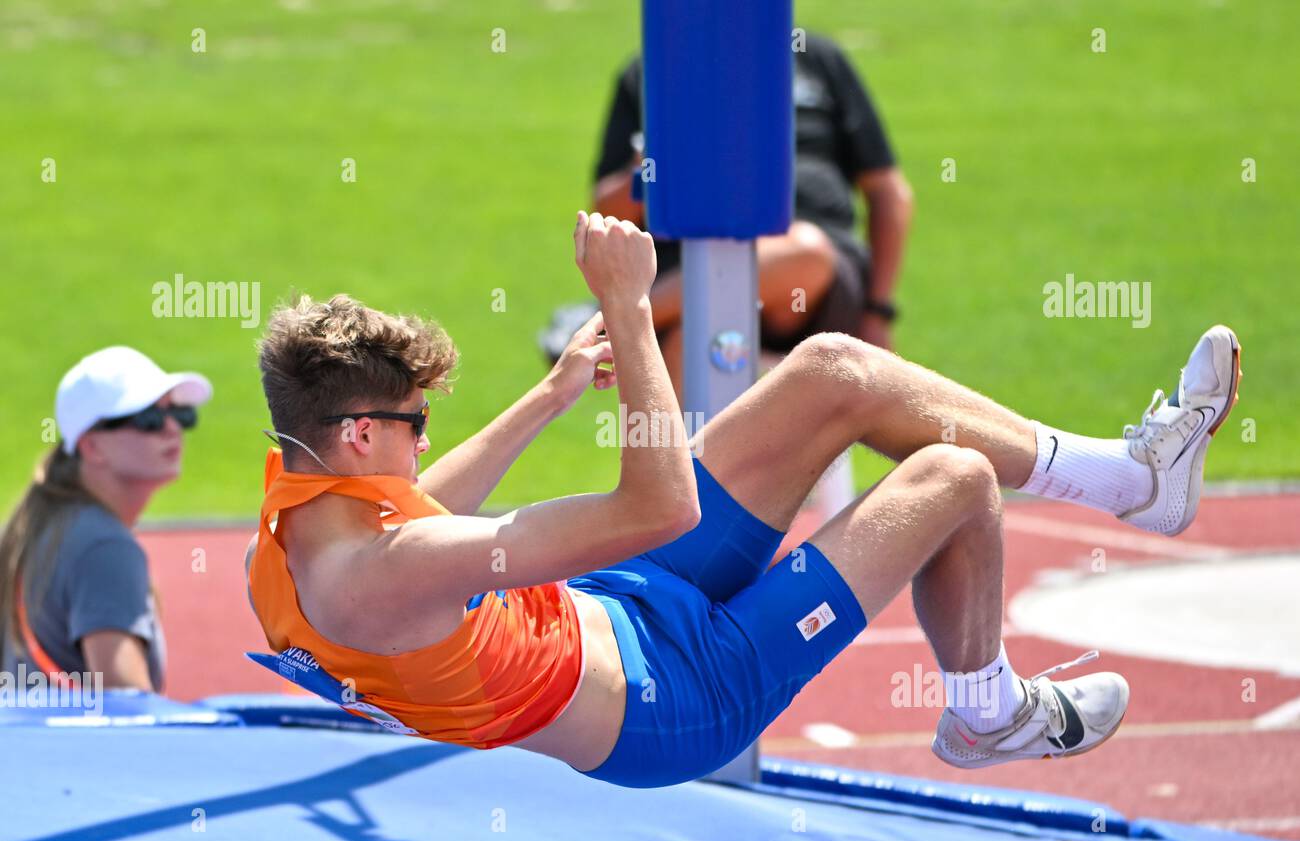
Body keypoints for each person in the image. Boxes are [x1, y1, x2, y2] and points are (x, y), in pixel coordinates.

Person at [247, 212, 1240, 788]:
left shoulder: (300, 504)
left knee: (834, 368)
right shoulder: (379, 574)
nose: (424, 439)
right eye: (415, 422)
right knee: (951, 479)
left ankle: (1137, 479)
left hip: (621, 601)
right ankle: (988, 711)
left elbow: (410, 498)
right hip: (671, 696)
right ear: (359, 436)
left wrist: (548, 400)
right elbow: (655, 508)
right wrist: (636, 310)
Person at [540, 31, 914, 396]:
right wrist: (658, 158)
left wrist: (877, 311)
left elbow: (888, 191)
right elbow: (606, 210)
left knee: (803, 250)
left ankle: (611, 322)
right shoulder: (650, 71)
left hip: (816, 276)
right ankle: (676, 454)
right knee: (697, 327)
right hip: (689, 262)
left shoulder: (814, 58)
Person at [0, 347, 212, 692]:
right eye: (148, 419)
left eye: (180, 414)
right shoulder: (105, 547)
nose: (172, 428)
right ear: (92, 446)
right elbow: (127, 708)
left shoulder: (40, 528)